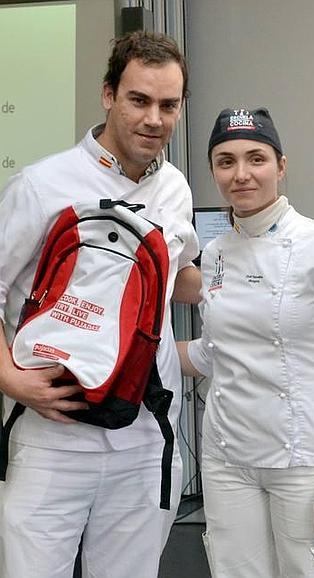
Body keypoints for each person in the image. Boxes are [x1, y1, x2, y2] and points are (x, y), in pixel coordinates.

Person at [0, 31, 200, 578]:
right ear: (109, 94)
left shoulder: (176, 189)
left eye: (168, 105)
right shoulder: (40, 185)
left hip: (144, 435)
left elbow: (181, 276)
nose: (154, 119)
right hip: (53, 434)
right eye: (139, 100)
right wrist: (9, 379)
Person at [177, 107, 314, 578]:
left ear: (281, 166)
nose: (241, 174)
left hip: (302, 458)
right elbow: (213, 352)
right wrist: (128, 356)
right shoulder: (217, 253)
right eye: (225, 162)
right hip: (226, 454)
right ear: (213, 172)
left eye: (256, 158)